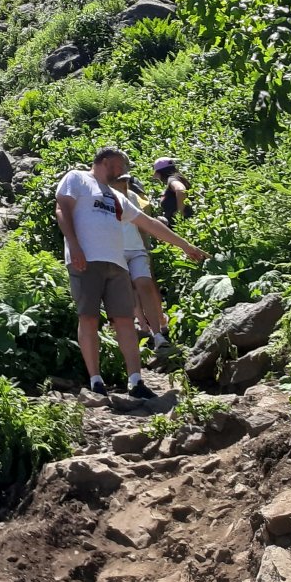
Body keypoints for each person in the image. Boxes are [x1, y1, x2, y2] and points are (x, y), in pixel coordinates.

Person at [56, 147, 206, 400]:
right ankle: (96, 382)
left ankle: (136, 381)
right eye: (119, 164)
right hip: (86, 259)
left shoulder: (116, 195)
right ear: (105, 161)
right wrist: (74, 245)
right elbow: (62, 210)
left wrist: (185, 246)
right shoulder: (77, 178)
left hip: (117, 263)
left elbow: (149, 224)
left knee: (125, 320)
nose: (124, 169)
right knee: (89, 318)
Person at [111, 168, 171, 356]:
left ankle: (157, 333)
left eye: (125, 180)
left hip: (136, 248)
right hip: (116, 250)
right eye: (120, 181)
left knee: (144, 285)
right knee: (132, 290)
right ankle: (144, 327)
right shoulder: (103, 199)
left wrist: (146, 247)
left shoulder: (132, 197)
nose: (123, 184)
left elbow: (142, 224)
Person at [152, 157, 192, 226]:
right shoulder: (179, 177)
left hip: (178, 225)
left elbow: (180, 189)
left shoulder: (172, 179)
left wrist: (180, 212)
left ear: (161, 172)